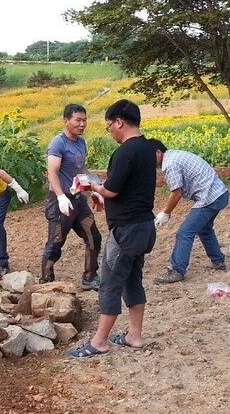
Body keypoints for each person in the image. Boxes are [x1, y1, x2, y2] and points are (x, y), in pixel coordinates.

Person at [67, 99, 157, 358]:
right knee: (132, 279)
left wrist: (92, 187)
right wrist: (104, 192)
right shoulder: (147, 148)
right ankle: (134, 336)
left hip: (126, 230)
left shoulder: (125, 151)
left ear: (119, 122)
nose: (111, 132)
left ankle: (99, 341)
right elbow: (126, 188)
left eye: (110, 126)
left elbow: (111, 189)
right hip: (144, 226)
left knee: (109, 282)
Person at [40, 103, 103, 289]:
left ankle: (89, 276)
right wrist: (60, 196)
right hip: (60, 201)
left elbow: (81, 168)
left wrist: (95, 189)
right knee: (56, 242)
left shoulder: (81, 142)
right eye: (78, 120)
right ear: (66, 121)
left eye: (85, 120)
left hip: (78, 199)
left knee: (94, 237)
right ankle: (45, 281)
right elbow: (52, 172)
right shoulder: (57, 143)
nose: (82, 124)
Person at [148, 139, 229, 284]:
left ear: (158, 152)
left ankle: (177, 270)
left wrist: (166, 212)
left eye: (149, 156)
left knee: (184, 232)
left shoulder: (169, 164)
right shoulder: (174, 155)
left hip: (210, 197)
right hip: (219, 193)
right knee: (204, 228)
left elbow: (176, 193)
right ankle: (218, 261)